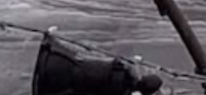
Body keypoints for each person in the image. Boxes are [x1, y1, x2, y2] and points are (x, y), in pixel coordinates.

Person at [33, 35, 163, 95]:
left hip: (77, 70)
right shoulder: (127, 81)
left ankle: (51, 62)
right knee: (77, 80)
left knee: (78, 72)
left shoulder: (127, 71)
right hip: (76, 79)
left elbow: (125, 63)